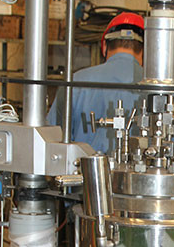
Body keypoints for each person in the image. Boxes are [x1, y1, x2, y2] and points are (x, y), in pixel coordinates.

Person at [47, 12, 144, 153]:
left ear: (104, 46)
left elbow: (52, 139)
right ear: (146, 50)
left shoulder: (74, 82)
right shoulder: (161, 88)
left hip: (81, 166)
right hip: (141, 167)